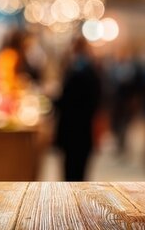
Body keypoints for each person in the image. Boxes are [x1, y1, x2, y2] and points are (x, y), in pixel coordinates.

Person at [54, 37, 102, 181]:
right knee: (80, 173)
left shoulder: (77, 69)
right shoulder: (91, 68)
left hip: (73, 129)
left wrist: (53, 100)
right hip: (85, 128)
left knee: (71, 173)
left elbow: (67, 100)